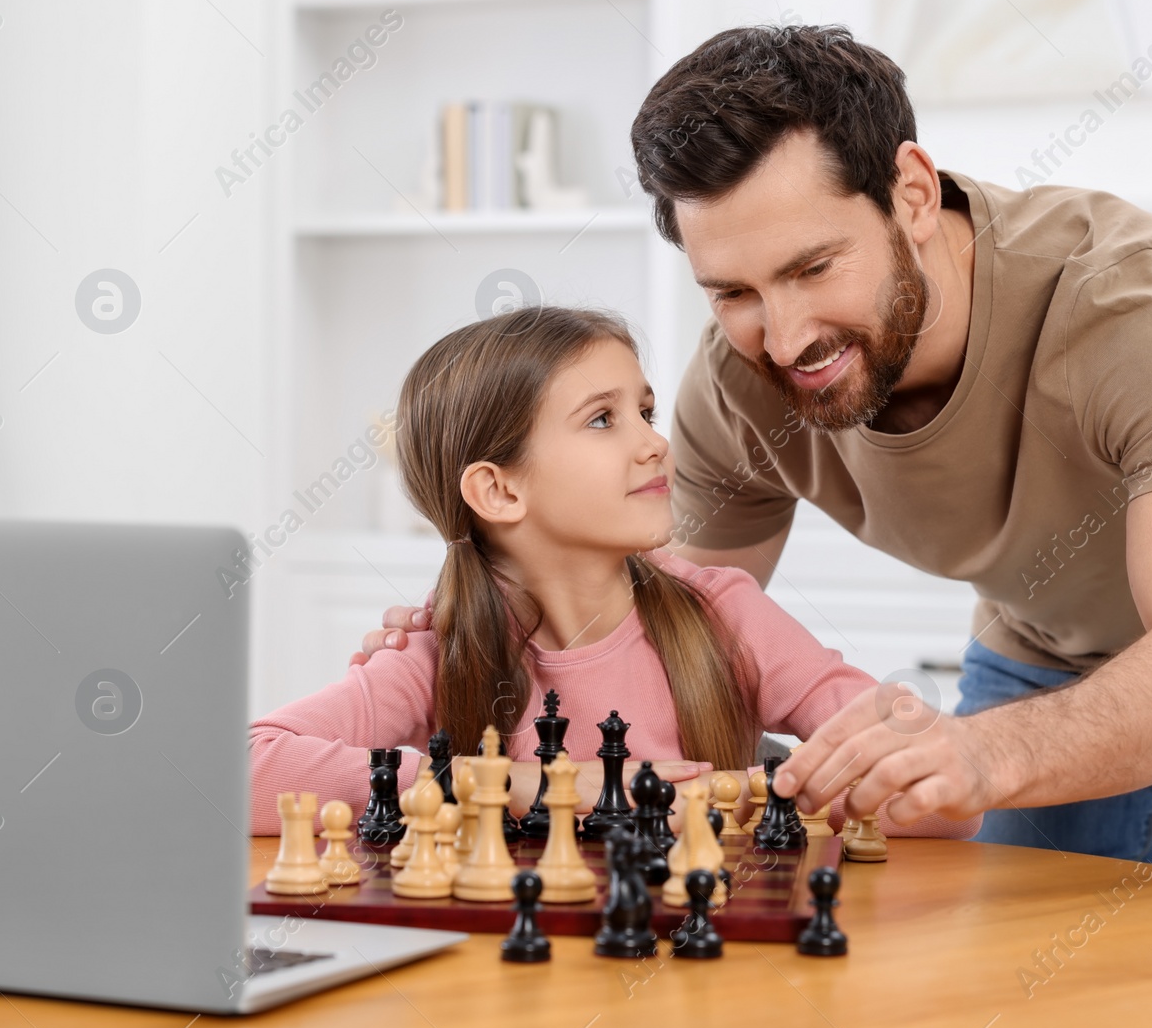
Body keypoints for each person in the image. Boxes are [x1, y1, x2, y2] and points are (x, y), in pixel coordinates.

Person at [358, 25, 1152, 918]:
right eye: (732, 290)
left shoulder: (1130, 309)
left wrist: (986, 754)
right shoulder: (737, 387)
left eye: (815, 267)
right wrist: (474, 630)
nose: (782, 334)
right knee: (1027, 992)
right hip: (1043, 647)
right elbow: (652, 620)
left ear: (911, 191)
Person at [250, 304, 979, 841]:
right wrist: (524, 784)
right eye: (604, 420)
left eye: (646, 410)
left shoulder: (722, 612)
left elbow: (946, 799)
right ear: (499, 490)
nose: (655, 444)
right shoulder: (437, 652)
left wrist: (762, 791)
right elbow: (240, 769)